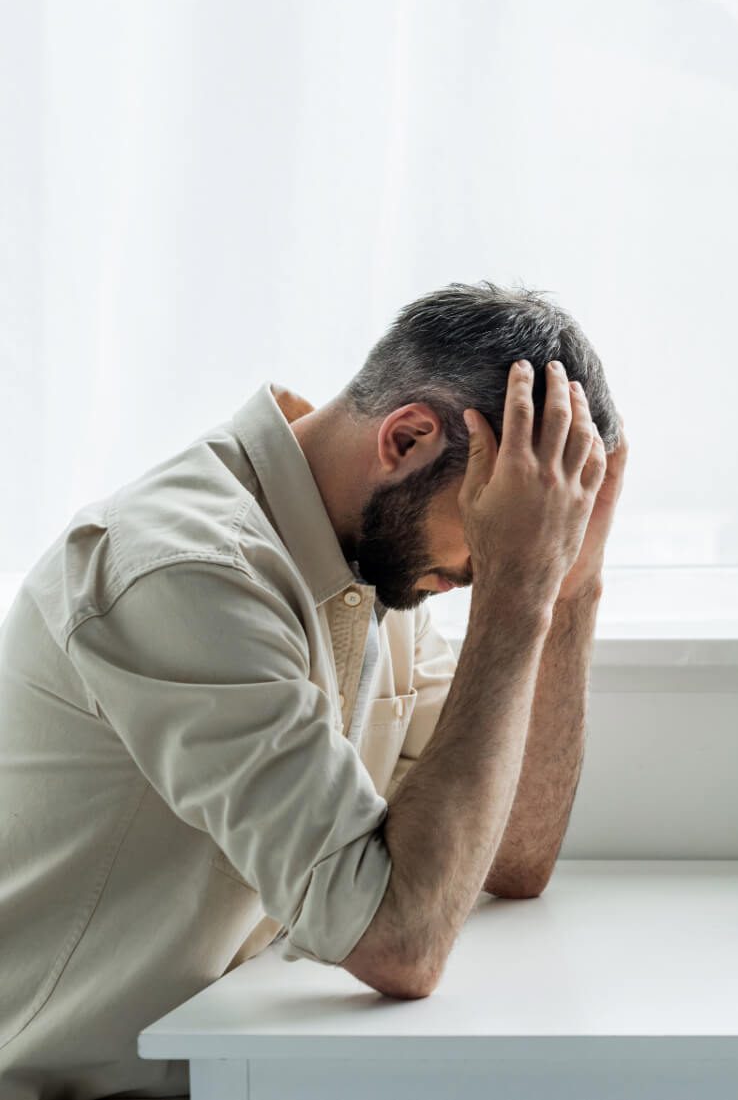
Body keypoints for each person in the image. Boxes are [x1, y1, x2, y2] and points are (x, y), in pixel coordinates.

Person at [0, 283, 626, 1100]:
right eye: (486, 533)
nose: (479, 573)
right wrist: (516, 593)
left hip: (239, 1072)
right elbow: (400, 940)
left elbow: (513, 853)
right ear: (405, 439)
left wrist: (570, 590)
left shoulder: (373, 559)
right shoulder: (189, 574)